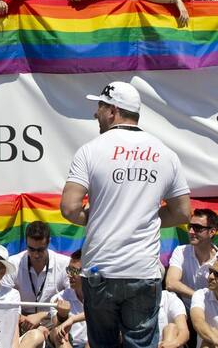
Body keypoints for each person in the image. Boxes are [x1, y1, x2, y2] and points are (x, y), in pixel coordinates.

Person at [61, 80, 191, 347]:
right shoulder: (165, 153)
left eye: (99, 107)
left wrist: (96, 217)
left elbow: (70, 208)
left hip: (101, 269)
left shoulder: (91, 150)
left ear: (113, 111)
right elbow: (181, 212)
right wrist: (150, 218)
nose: (95, 113)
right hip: (143, 270)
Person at [3, 221, 70, 330]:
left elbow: (72, 302)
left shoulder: (65, 264)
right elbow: (4, 301)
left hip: (54, 321)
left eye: (40, 250)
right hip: (20, 321)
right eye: (31, 249)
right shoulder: (13, 263)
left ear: (49, 242)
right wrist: (22, 318)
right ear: (26, 242)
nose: (36, 255)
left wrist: (42, 315)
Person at [167, 209, 218, 311]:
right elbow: (171, 283)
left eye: (197, 228)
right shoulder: (181, 251)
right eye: (190, 227)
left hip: (213, 313)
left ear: (212, 232)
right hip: (185, 312)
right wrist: (198, 298)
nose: (191, 232)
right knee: (166, 297)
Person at [48, 250, 87, 348]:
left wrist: (72, 319)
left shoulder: (101, 297)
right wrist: (63, 316)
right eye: (69, 270)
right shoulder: (59, 298)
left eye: (75, 271)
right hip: (68, 343)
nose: (69, 275)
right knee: (59, 335)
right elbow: (57, 326)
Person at [190, 260, 218, 347]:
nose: (210, 277)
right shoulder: (200, 295)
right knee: (207, 342)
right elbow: (198, 321)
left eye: (217, 274)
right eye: (211, 272)